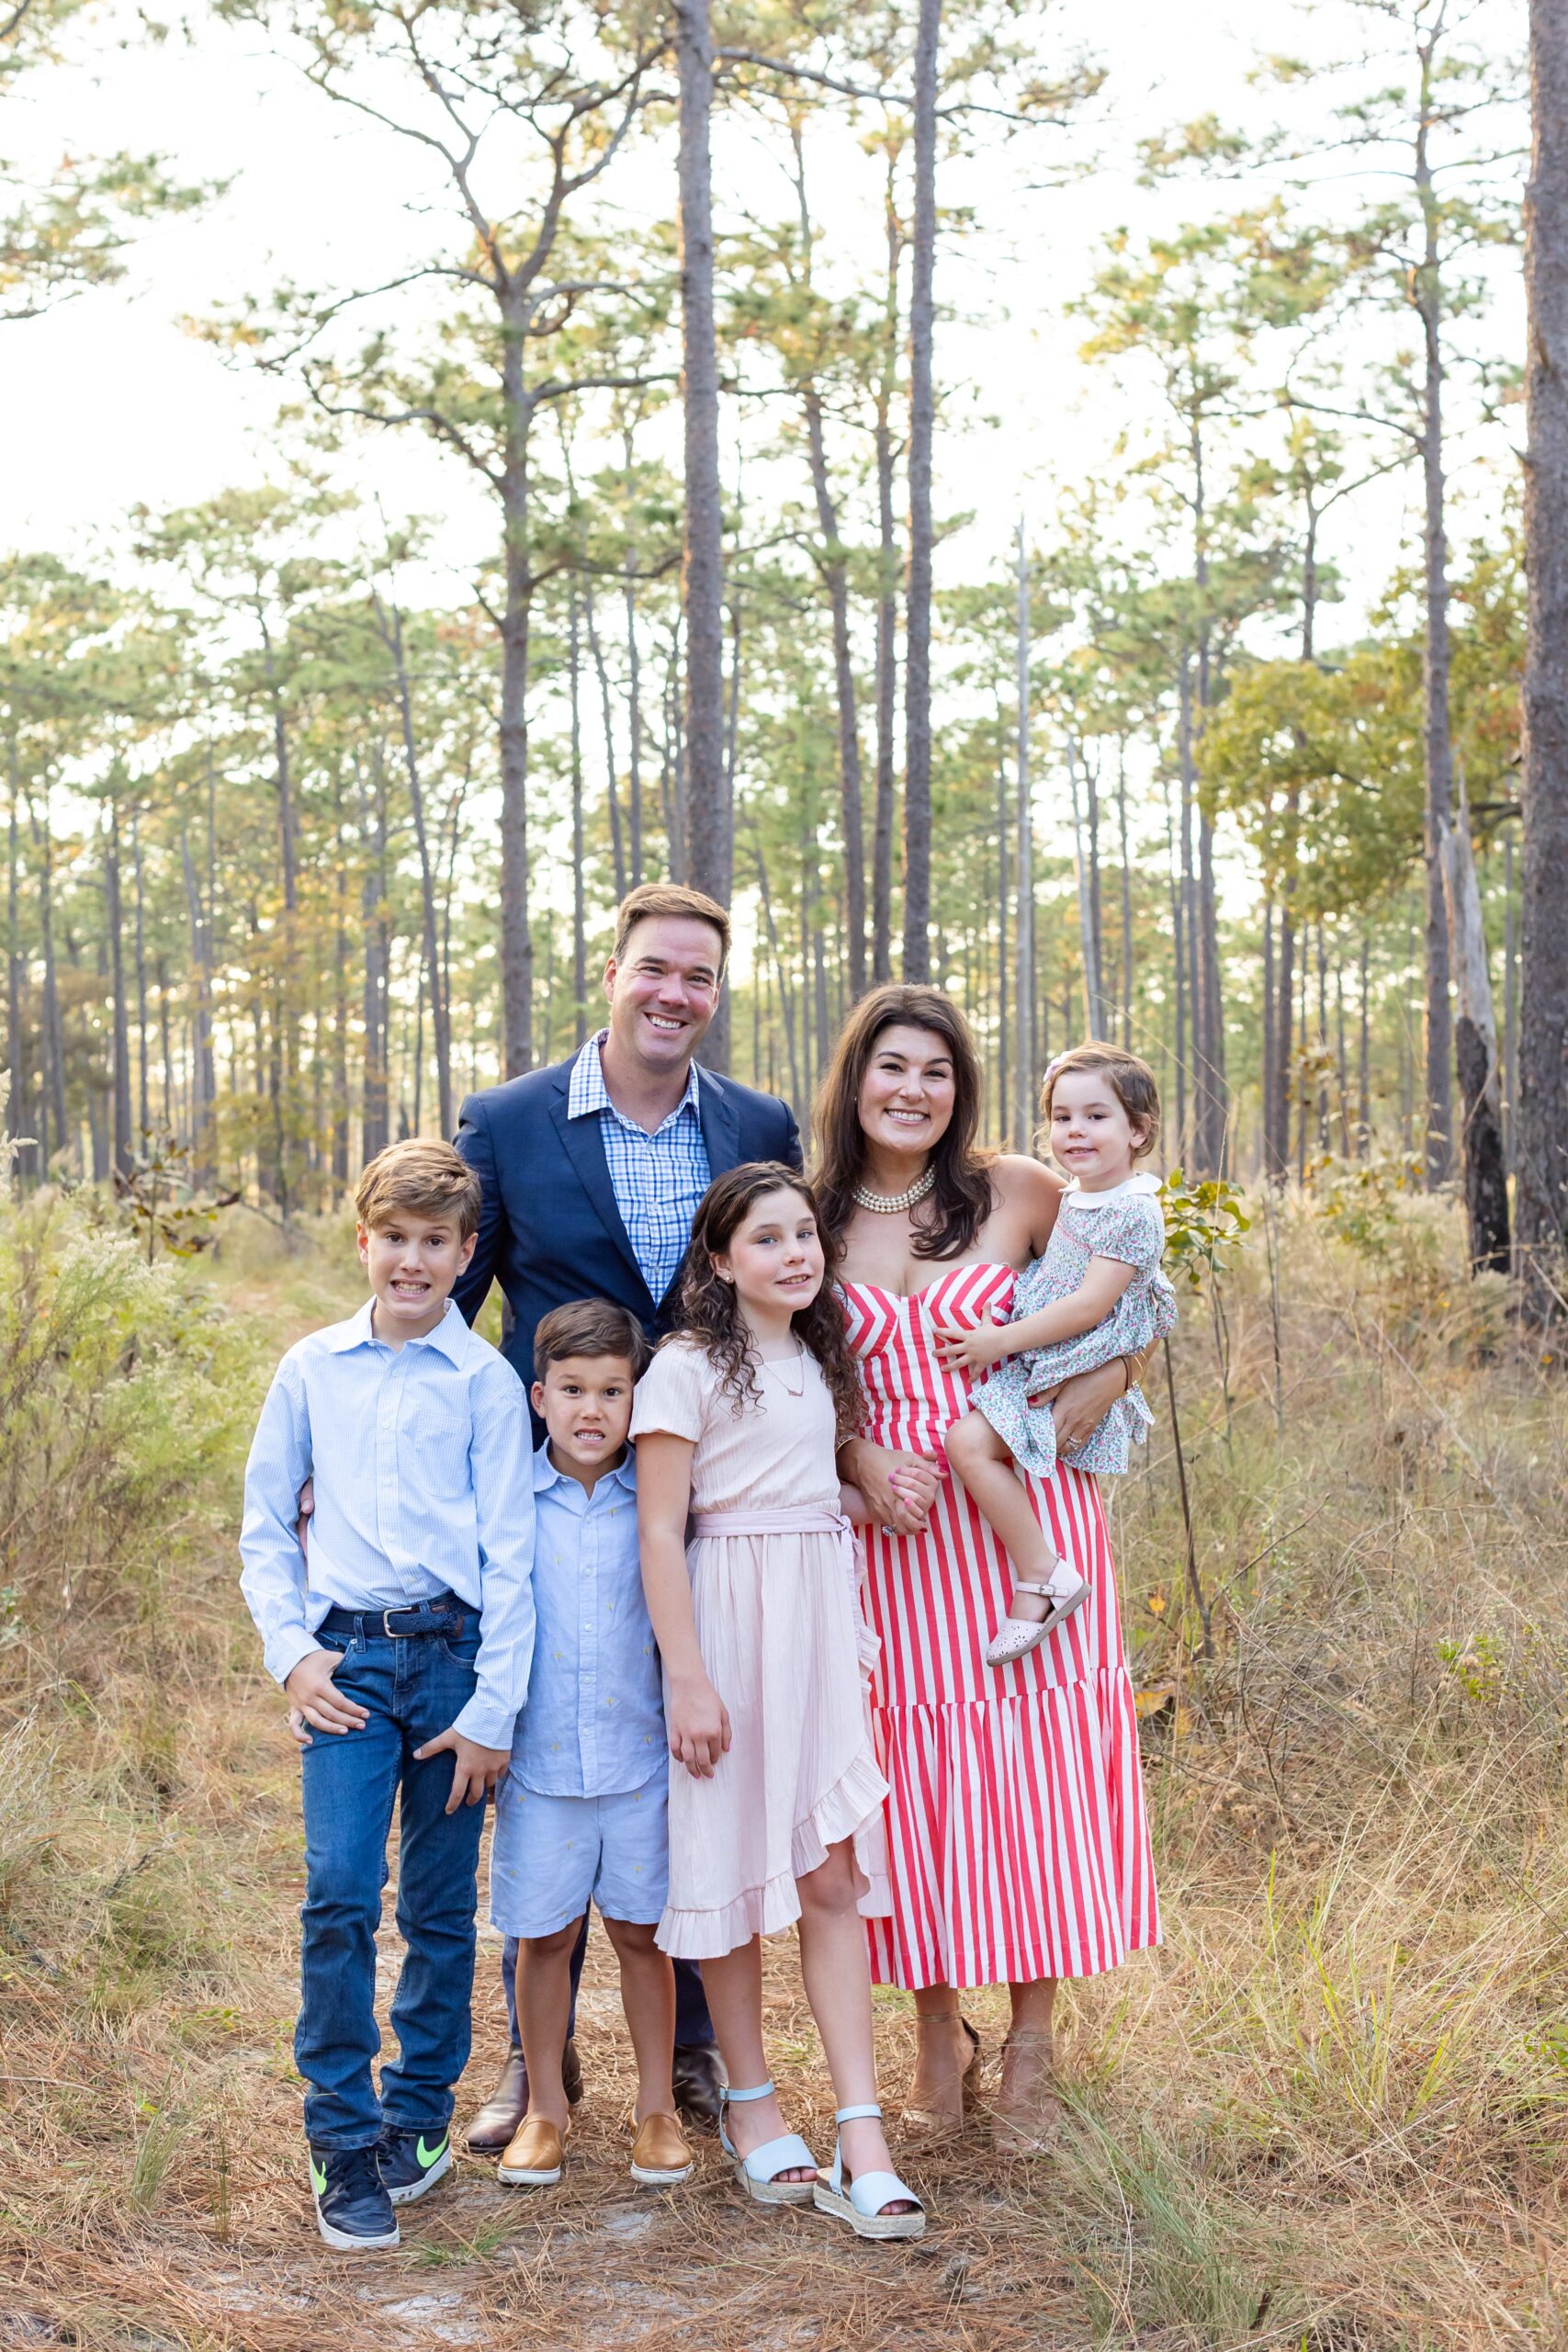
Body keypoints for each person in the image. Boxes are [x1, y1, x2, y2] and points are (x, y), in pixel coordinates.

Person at [452, 882, 802, 2152]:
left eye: (698, 978)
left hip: (719, 1500)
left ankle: (696, 2060)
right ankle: (531, 2068)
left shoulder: (757, 1123)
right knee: (546, 1743)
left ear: (717, 993)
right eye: (653, 969)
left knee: (694, 1750)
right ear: (611, 974)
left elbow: (785, 1289)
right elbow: (453, 1310)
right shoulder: (508, 1123)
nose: (673, 995)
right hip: (564, 1499)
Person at [818, 987, 1160, 2153]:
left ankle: (1032, 2041)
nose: (912, 1090)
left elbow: (1133, 1292)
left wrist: (1105, 1388)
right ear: (855, 1077)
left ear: (961, 1090)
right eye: (892, 1067)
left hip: (1023, 1511)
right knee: (913, 1781)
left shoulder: (1019, 1188)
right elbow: (775, 1370)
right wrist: (854, 1453)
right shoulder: (806, 1214)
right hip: (893, 1536)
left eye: (938, 1072)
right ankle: (933, 2025)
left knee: (1032, 1770)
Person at [239, 1140, 536, 2251]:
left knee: (442, 1907)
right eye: (393, 1238)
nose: (412, 1261)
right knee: (341, 1891)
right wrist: (292, 1654)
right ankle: (340, 2133)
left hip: (454, 1666)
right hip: (349, 1667)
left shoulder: (485, 1383)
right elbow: (266, 1525)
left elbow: (512, 1555)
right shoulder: (312, 1367)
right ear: (364, 1240)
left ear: (467, 1255)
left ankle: (416, 2112)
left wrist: (493, 1710)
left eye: (435, 1243)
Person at [632, 1163, 924, 2242]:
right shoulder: (685, 1366)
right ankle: (752, 2103)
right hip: (728, 1622)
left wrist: (863, 1491)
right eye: (768, 1239)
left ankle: (863, 2129)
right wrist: (688, 1676)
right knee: (735, 1858)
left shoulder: (814, 1358)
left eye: (806, 1234)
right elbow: (664, 1528)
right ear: (720, 1260)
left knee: (834, 1869)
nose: (796, 1253)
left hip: (816, 1617)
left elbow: (801, 1484)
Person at [489, 1298, 693, 2196]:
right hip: (541, 1768)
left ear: (636, 1399)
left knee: (642, 1935)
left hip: (638, 1761)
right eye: (572, 1389)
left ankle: (657, 2107)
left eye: (612, 1390)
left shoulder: (655, 1506)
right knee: (545, 1936)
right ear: (539, 1396)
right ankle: (545, 2107)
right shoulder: (508, 1503)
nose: (591, 1410)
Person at [942, 1044, 1178, 1666]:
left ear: (1137, 1130)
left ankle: (1043, 1575)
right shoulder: (1075, 1197)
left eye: (1096, 1116)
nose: (1075, 1130)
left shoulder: (1132, 1210)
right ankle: (1041, 1571)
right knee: (968, 1445)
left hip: (1062, 1364)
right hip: (1045, 1359)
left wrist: (998, 1341)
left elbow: (1087, 1307)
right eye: (1062, 1116)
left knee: (966, 1445)